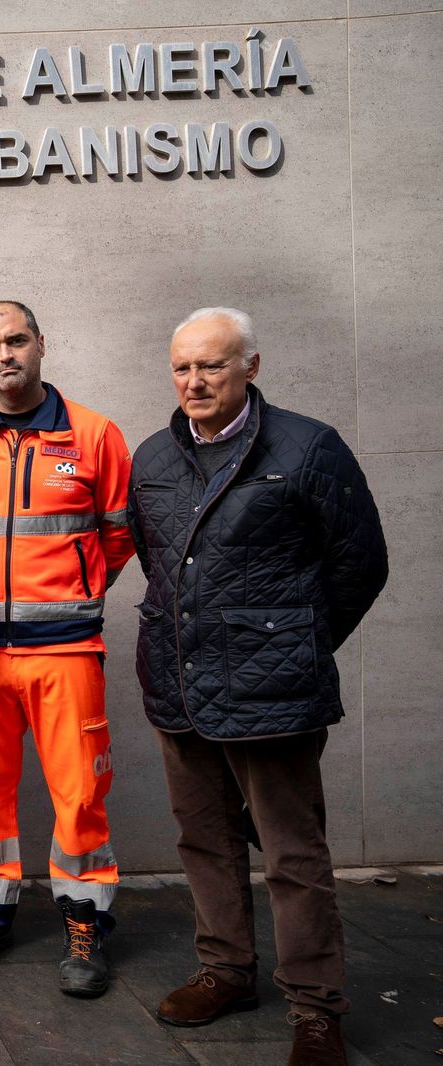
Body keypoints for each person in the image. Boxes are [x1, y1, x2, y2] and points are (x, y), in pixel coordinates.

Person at [130, 308, 386, 1066]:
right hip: (179, 684)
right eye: (182, 367)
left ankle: (316, 1009)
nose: (194, 381)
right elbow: (159, 561)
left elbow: (359, 565)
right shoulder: (153, 458)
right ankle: (226, 971)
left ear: (251, 366)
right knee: (203, 841)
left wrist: (290, 642)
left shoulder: (308, 448)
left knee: (292, 855)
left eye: (211, 365)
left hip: (272, 694)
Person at [0, 300, 134, 997]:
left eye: (17, 340)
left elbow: (118, 532)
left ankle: (86, 923)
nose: (5, 354)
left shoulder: (97, 434)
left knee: (79, 792)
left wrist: (76, 590)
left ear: (41, 343)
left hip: (67, 649)